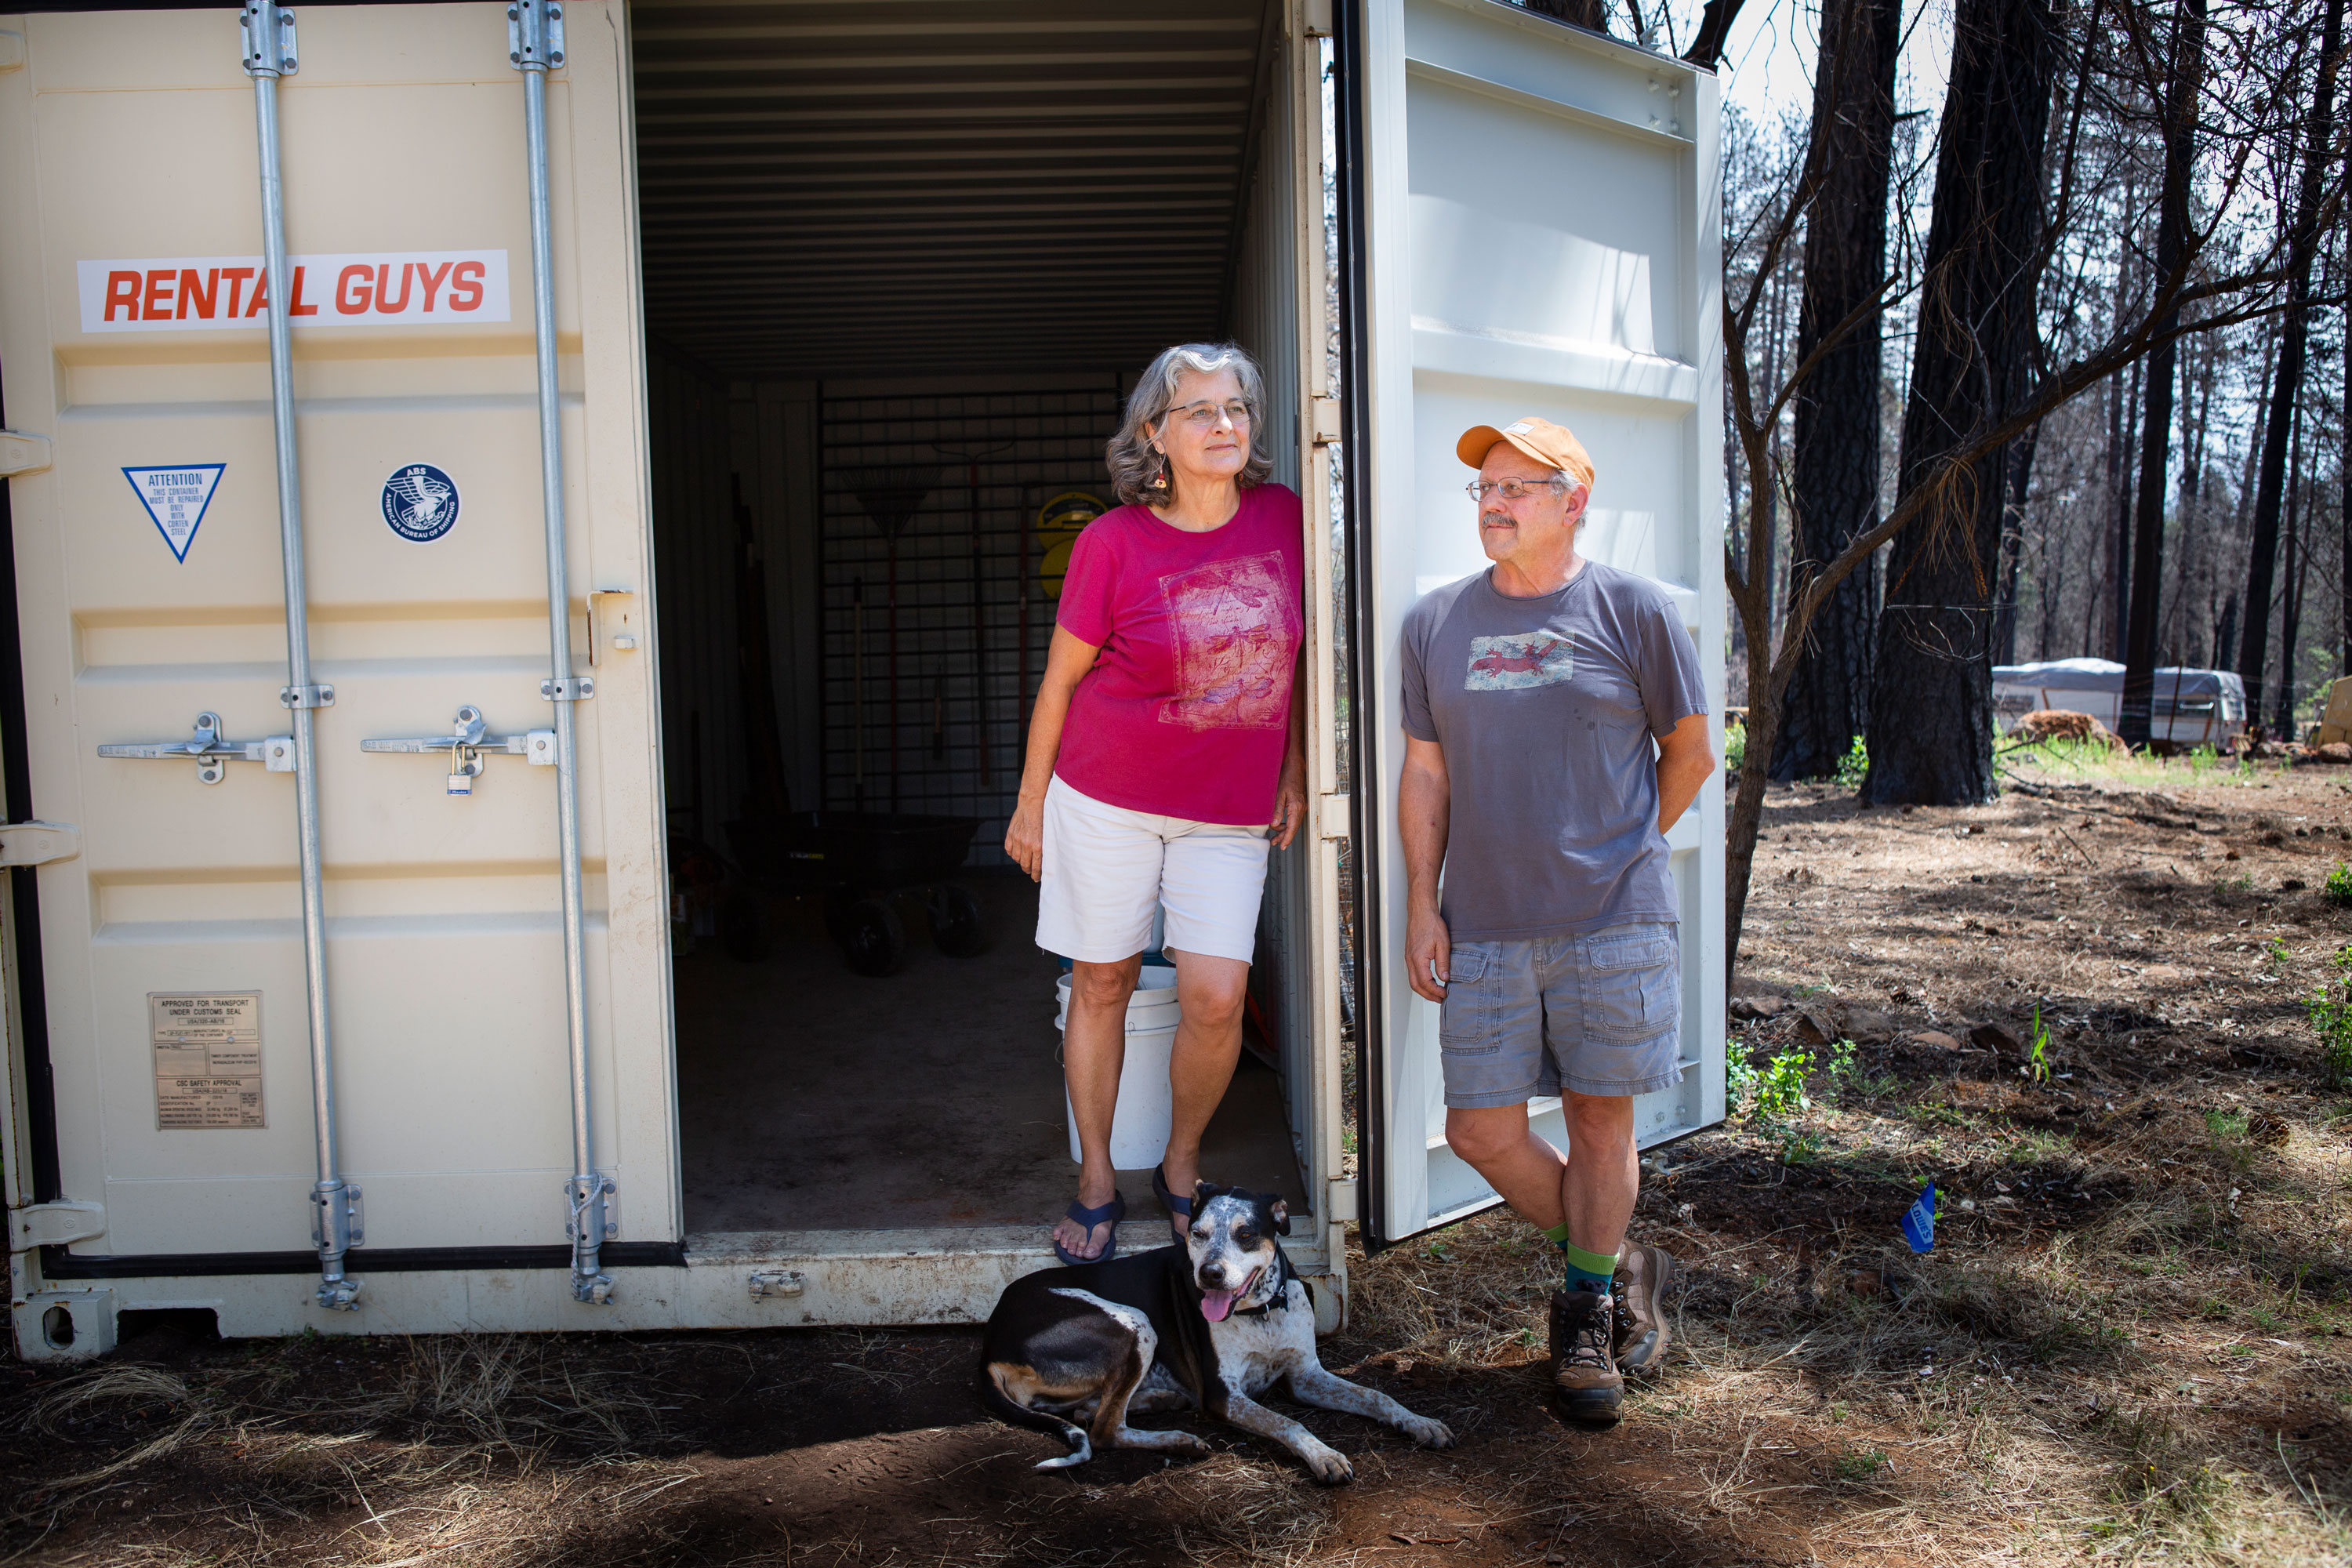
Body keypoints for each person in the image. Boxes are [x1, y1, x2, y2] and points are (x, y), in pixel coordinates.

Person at [1397, 416, 1713, 1426]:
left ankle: (1582, 1314)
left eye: (1518, 486)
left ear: (1573, 500)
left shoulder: (1634, 609)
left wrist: (1621, 845)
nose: (1493, 502)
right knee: (1479, 1128)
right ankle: (1622, 1259)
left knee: (1596, 1116)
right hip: (1483, 921)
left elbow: (1693, 753)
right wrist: (1418, 901)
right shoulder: (1435, 622)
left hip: (1613, 920)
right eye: (1484, 488)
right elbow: (1425, 772)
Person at [1006, 343, 1307, 1265]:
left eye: (1236, 408)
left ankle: (1181, 1165)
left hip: (1228, 806)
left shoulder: (1286, 519)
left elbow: (1305, 663)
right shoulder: (1111, 543)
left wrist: (1292, 767)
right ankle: (1098, 1177)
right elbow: (1059, 685)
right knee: (1103, 979)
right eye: (1200, 411)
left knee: (1217, 996)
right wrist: (1028, 806)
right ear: (1155, 435)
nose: (1225, 425)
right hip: (1106, 796)